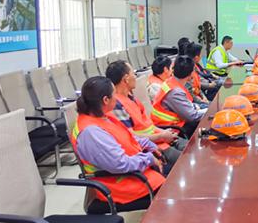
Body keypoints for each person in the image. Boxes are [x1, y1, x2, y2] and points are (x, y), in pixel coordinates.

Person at [71, 76, 166, 205]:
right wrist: (148, 159)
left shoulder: (104, 116)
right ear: (106, 100)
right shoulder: (91, 133)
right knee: (175, 187)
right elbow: (120, 164)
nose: (117, 97)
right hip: (121, 184)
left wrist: (150, 145)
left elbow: (128, 136)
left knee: (175, 170)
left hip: (136, 170)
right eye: (114, 94)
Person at [106, 60, 188, 170]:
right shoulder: (117, 105)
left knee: (191, 149)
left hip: (159, 140)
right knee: (187, 161)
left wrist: (164, 133)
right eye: (133, 74)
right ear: (126, 79)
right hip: (151, 148)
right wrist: (161, 136)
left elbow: (148, 125)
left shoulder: (131, 98)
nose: (135, 77)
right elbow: (131, 138)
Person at [152, 55, 206, 136]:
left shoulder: (172, 81)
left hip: (178, 120)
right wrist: (209, 110)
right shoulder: (175, 92)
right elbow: (192, 116)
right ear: (190, 74)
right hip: (173, 128)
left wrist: (197, 107)